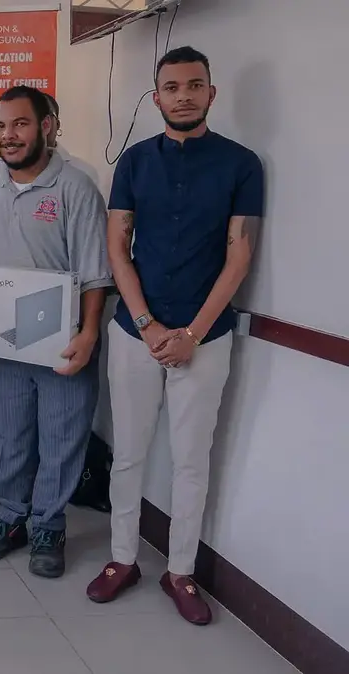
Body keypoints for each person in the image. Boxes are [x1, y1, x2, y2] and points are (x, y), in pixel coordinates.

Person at [88, 47, 262, 625]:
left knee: (192, 459)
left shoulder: (241, 165)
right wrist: (148, 324)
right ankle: (121, 560)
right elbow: (118, 247)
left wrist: (191, 333)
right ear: (156, 95)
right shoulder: (135, 162)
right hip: (135, 331)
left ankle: (180, 571)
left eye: (194, 85)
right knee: (129, 455)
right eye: (171, 86)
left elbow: (239, 260)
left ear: (212, 93)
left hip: (205, 339)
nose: (183, 94)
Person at [0, 86, 112, 579]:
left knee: (61, 437)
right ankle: (11, 518)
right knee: (10, 433)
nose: (9, 136)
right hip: (4, 340)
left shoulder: (76, 187)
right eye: (2, 126)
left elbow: (95, 271)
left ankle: (48, 526)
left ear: (47, 127)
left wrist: (89, 333)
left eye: (20, 124)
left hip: (61, 339)